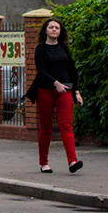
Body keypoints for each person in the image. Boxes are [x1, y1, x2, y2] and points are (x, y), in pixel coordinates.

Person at [27, 17, 83, 173]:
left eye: (57, 28)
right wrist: (55, 83)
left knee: (66, 125)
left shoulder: (64, 48)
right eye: (51, 27)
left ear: (60, 32)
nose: (54, 30)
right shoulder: (41, 49)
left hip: (65, 90)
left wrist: (76, 91)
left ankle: (72, 161)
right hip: (45, 91)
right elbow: (41, 71)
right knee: (46, 128)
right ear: (45, 30)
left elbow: (72, 70)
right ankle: (44, 163)